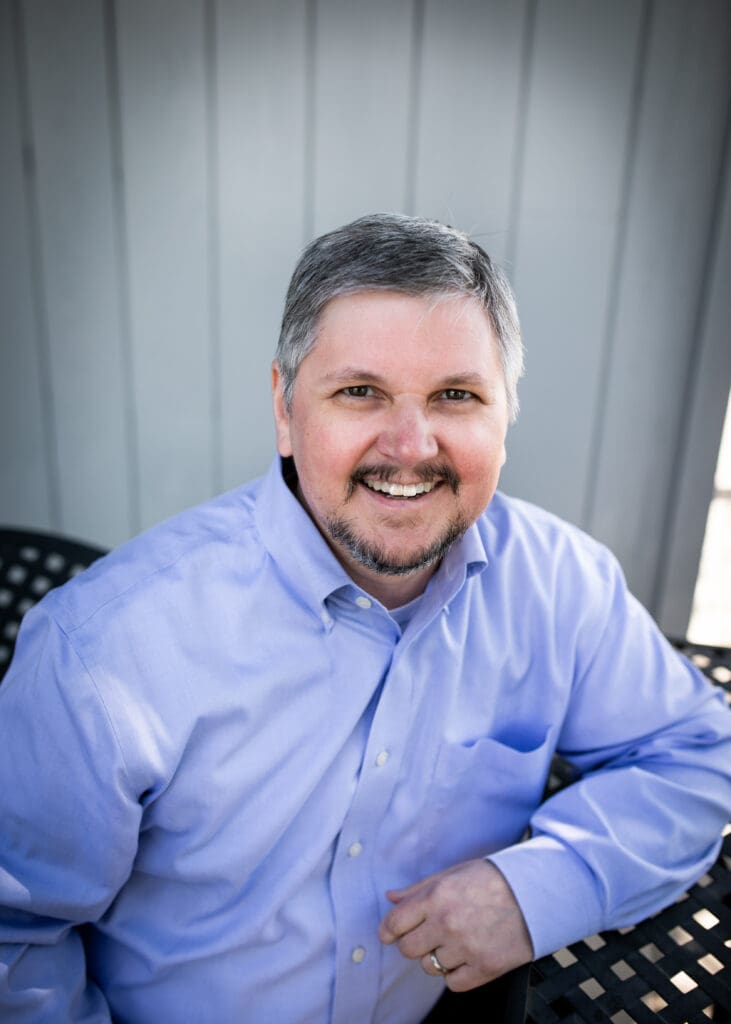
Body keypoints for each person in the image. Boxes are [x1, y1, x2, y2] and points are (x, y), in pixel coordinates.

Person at [0, 213, 729, 1024]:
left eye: (455, 395)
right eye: (359, 392)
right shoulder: (104, 648)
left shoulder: (560, 584)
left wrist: (539, 887)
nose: (410, 446)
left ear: (505, 414)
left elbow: (696, 755)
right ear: (284, 408)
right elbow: (13, 938)